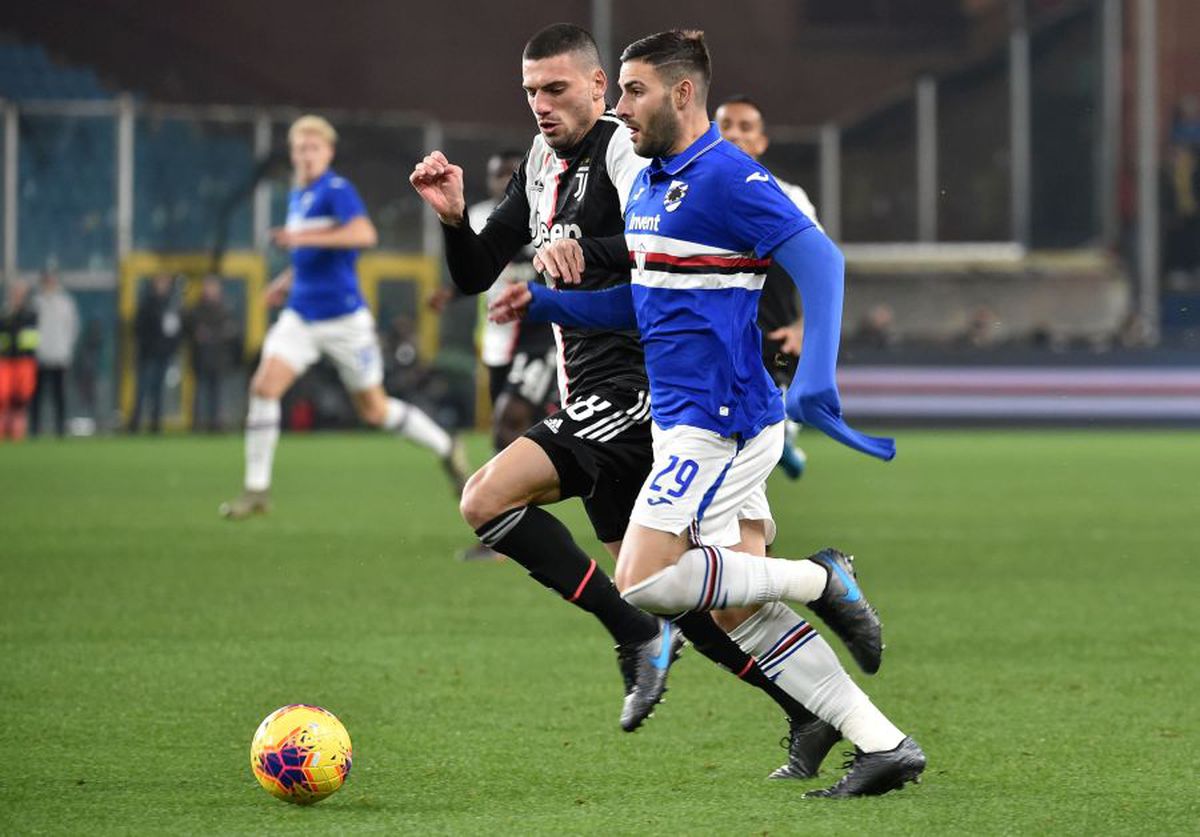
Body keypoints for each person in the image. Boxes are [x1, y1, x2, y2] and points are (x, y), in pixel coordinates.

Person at [415, 26, 859, 782]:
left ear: (597, 87)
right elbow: (476, 272)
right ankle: (806, 709)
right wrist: (455, 218)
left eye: (557, 89)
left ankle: (641, 633)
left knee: (487, 498)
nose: (541, 105)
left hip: (638, 383)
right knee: (689, 596)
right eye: (530, 91)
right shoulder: (538, 159)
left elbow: (665, 236)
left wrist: (587, 253)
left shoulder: (628, 150)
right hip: (587, 386)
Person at [220, 115, 468, 519]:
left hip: (344, 320)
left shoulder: (336, 190)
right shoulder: (299, 196)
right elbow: (312, 254)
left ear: (328, 153)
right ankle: (257, 489)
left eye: (313, 148)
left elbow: (363, 235)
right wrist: (286, 279)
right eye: (300, 149)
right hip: (300, 315)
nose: (306, 156)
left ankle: (447, 446)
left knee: (374, 409)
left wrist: (298, 238)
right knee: (264, 388)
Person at [429, 150, 560, 562]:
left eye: (508, 173)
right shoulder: (483, 214)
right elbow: (475, 265)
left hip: (539, 339)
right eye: (494, 173)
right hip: (497, 341)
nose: (500, 179)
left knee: (510, 419)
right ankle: (513, 520)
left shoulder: (540, 210)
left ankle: (506, 527)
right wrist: (449, 294)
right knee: (507, 432)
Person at [715, 95, 821, 480]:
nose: (734, 135)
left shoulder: (787, 198)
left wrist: (803, 326)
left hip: (768, 342)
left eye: (745, 128)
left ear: (761, 142)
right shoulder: (685, 192)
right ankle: (781, 441)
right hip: (705, 340)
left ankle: (780, 434)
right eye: (725, 126)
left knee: (740, 466)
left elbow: (819, 268)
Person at [128, 273, 181, 434]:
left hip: (163, 354)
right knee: (142, 389)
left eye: (165, 282)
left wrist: (171, 346)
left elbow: (176, 331)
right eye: (160, 282)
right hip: (147, 353)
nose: (162, 285)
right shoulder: (147, 303)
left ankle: (155, 424)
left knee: (158, 391)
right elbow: (138, 328)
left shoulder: (171, 305)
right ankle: (134, 424)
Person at [185, 275, 238, 432]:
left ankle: (217, 424)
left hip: (219, 360)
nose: (210, 290)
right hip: (201, 358)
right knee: (200, 393)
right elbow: (189, 330)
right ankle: (197, 424)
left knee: (218, 394)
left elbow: (232, 332)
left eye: (213, 287)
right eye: (207, 286)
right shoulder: (196, 309)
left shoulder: (225, 309)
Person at [31, 271, 79, 437]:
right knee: (37, 395)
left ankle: (60, 428)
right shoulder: (36, 303)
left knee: (59, 395)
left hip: (60, 355)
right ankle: (34, 428)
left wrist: (67, 349)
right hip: (40, 355)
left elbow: (72, 328)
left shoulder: (65, 303)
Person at [0, 280, 39, 441]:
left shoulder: (29, 315)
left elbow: (29, 339)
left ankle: (17, 433)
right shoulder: (5, 314)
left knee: (20, 399)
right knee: (3, 398)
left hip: (23, 362)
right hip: (5, 361)